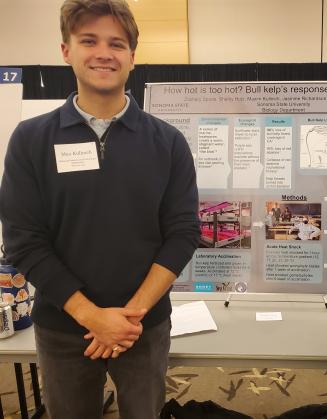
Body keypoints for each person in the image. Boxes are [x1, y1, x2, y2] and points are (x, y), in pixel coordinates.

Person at [0, 1, 200, 418]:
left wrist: (128, 318)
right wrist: (92, 316)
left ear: (132, 56)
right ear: (65, 51)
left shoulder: (168, 143)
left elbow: (182, 232)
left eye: (117, 43)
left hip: (142, 326)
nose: (103, 53)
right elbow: (23, 238)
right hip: (63, 325)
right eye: (88, 41)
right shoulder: (30, 139)